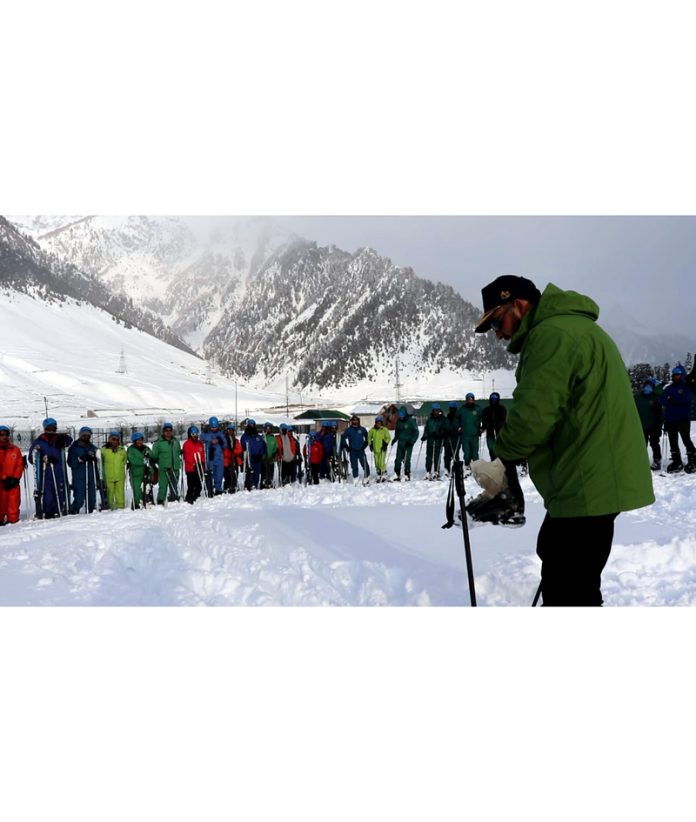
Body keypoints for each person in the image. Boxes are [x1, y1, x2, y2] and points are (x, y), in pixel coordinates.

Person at [472, 274, 654, 606]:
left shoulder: (551, 335)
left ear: (519, 305)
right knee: (564, 565)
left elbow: (533, 415)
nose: (497, 334)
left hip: (588, 480)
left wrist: (501, 459)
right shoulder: (570, 328)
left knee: (568, 589)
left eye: (497, 322)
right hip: (593, 478)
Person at [28, 418, 73, 518]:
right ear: (45, 428)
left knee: (60, 491)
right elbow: (32, 458)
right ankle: (48, 512)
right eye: (49, 428)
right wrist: (43, 458)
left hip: (58, 471)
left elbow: (69, 440)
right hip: (45, 472)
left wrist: (64, 438)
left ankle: (59, 509)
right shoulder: (39, 442)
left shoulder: (58, 439)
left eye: (54, 428)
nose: (52, 430)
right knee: (47, 493)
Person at [660, 365, 695, 473]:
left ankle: (693, 460)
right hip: (670, 419)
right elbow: (663, 400)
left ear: (682, 375)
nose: (676, 377)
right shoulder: (669, 388)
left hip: (683, 419)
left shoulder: (686, 387)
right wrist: (671, 401)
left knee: (686, 440)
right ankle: (677, 461)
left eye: (678, 375)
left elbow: (686, 400)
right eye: (675, 375)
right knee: (673, 441)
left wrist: (673, 401)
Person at [67, 426, 99, 513]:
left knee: (91, 498)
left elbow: (99, 461)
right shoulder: (74, 448)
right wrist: (80, 459)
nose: (86, 437)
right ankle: (74, 511)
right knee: (79, 499)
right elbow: (70, 463)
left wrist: (96, 458)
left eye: (88, 436)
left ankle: (91, 512)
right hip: (79, 477)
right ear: (80, 435)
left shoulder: (93, 448)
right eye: (84, 435)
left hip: (90, 476)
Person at [634, 381, 663, 471]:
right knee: (642, 445)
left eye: (650, 387)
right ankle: (640, 461)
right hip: (641, 426)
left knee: (654, 443)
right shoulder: (637, 398)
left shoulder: (655, 398)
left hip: (653, 426)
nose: (648, 388)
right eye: (646, 386)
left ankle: (657, 461)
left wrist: (659, 427)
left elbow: (660, 414)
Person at [150, 422, 182, 504]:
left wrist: (181, 452)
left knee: (174, 485)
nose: (168, 432)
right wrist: (152, 459)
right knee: (163, 486)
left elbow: (178, 452)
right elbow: (154, 455)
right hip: (164, 469)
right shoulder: (158, 443)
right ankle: (160, 500)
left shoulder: (175, 441)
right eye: (166, 430)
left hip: (175, 468)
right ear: (163, 431)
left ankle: (174, 498)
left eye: (170, 430)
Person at [0, 425, 24, 525]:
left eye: (6, 434)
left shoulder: (15, 450)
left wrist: (15, 478)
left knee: (14, 502)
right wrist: (4, 477)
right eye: (2, 435)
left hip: (13, 482)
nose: (4, 437)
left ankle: (13, 521)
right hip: (1, 482)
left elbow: (19, 465)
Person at [200, 416, 227, 495]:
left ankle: (218, 489)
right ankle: (209, 488)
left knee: (219, 474)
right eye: (212, 427)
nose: (214, 429)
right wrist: (211, 441)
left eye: (215, 427)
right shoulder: (206, 434)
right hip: (210, 457)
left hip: (219, 457)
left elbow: (225, 445)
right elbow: (202, 440)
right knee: (210, 473)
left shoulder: (220, 434)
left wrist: (220, 441)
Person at [340, 414, 370, 485]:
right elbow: (342, 438)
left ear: (358, 421)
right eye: (353, 420)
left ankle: (367, 476)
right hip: (352, 451)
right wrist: (346, 447)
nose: (355, 421)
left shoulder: (362, 429)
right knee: (354, 465)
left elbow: (367, 438)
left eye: (356, 420)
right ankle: (355, 477)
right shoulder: (348, 430)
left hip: (361, 450)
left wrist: (364, 445)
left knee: (364, 464)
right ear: (351, 421)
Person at [101, 430, 127, 509]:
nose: (115, 441)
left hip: (120, 476)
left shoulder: (122, 450)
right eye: (113, 439)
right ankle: (110, 507)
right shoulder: (104, 450)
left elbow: (124, 461)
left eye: (117, 439)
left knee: (120, 492)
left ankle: (120, 507)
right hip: (109, 476)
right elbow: (101, 462)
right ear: (109, 439)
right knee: (109, 492)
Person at [127, 432, 153, 509]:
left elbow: (152, 455)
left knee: (146, 488)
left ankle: (147, 501)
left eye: (141, 440)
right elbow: (133, 460)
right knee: (137, 490)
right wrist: (144, 461)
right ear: (134, 441)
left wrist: (149, 454)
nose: (140, 442)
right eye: (138, 440)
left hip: (146, 472)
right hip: (136, 473)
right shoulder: (131, 449)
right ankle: (137, 504)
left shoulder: (146, 448)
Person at [421, 403, 448, 480]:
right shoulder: (430, 419)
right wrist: (424, 436)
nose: (435, 412)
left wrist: (439, 434)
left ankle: (436, 471)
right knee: (429, 457)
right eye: (434, 410)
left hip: (438, 441)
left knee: (437, 457)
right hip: (430, 440)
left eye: (437, 410)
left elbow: (445, 429)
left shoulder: (443, 419)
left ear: (439, 410)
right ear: (432, 410)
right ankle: (428, 471)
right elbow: (426, 429)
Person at [457, 393, 482, 469]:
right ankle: (467, 465)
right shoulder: (462, 409)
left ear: (474, 400)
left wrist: (482, 428)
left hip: (475, 434)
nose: (470, 401)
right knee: (467, 451)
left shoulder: (478, 408)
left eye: (471, 399)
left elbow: (484, 418)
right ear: (466, 400)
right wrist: (458, 427)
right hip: (465, 434)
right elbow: (456, 419)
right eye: (468, 399)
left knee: (475, 452)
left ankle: (476, 465)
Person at [393, 406, 419, 481]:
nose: (400, 416)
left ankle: (407, 474)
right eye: (399, 415)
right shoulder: (399, 421)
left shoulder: (411, 421)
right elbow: (397, 431)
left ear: (405, 414)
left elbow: (416, 432)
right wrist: (395, 438)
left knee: (406, 459)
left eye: (402, 415)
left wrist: (412, 441)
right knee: (398, 459)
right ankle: (397, 473)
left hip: (408, 444)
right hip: (400, 443)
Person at [182, 425, 206, 503]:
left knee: (199, 484)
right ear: (190, 435)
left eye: (196, 434)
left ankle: (196, 495)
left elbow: (202, 454)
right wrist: (194, 464)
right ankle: (189, 497)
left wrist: (202, 462)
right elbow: (187, 457)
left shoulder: (200, 443)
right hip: (191, 469)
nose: (195, 436)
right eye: (193, 434)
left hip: (199, 467)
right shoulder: (187, 444)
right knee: (191, 485)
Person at [480, 392, 507, 461]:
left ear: (498, 399)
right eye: (492, 398)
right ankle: (493, 459)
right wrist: (483, 428)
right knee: (491, 447)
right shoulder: (486, 410)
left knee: (500, 447)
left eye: (495, 398)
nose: (493, 400)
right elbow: (484, 421)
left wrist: (499, 424)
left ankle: (501, 461)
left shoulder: (502, 409)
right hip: (490, 432)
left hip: (499, 432)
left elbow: (504, 420)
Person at [240, 419, 266, 490]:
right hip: (249, 458)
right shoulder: (244, 437)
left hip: (257, 458)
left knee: (257, 473)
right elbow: (242, 447)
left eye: (253, 425)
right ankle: (248, 486)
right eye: (250, 425)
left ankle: (255, 485)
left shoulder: (258, 437)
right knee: (249, 473)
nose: (252, 426)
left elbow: (262, 446)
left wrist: (260, 455)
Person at [367, 415, 391, 482]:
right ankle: (378, 473)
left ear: (382, 423)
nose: (378, 424)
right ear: (375, 423)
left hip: (382, 449)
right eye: (377, 423)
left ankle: (383, 473)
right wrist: (370, 444)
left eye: (380, 423)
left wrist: (385, 443)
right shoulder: (372, 430)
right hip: (375, 449)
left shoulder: (384, 430)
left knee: (381, 462)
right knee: (376, 462)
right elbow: (369, 437)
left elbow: (388, 437)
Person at [223, 423, 243, 492]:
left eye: (232, 430)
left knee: (235, 474)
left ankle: (234, 486)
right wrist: (230, 453)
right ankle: (227, 487)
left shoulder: (236, 441)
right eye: (229, 430)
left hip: (234, 460)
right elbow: (224, 451)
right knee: (227, 476)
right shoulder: (224, 440)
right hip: (226, 461)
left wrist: (233, 452)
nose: (230, 432)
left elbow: (239, 450)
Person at [443, 401, 459, 476]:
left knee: (455, 454)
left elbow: (461, 427)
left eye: (454, 408)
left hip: (456, 439)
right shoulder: (446, 418)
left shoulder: (458, 418)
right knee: (447, 455)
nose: (452, 410)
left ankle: (456, 468)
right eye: (451, 408)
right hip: (447, 439)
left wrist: (459, 431)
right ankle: (447, 468)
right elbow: (443, 427)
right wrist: (445, 432)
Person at [261, 422, 279, 488]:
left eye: (269, 428)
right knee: (264, 473)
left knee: (270, 472)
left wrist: (274, 454)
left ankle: (270, 483)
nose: (268, 430)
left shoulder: (273, 438)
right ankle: (263, 485)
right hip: (263, 459)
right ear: (264, 429)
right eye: (267, 428)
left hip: (271, 459)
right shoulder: (262, 437)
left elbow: (275, 447)